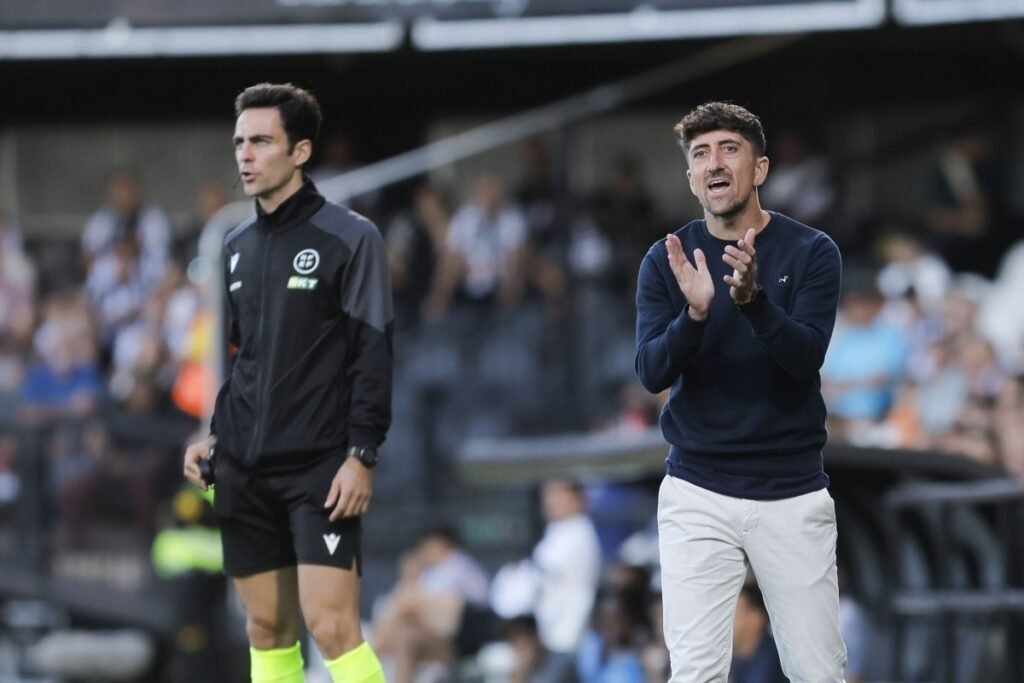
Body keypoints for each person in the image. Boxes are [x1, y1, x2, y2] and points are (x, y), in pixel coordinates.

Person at [182, 83, 393, 683]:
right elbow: (245, 360)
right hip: (244, 467)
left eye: (261, 141)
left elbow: (373, 356)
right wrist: (216, 438)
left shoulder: (352, 238)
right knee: (266, 631)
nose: (245, 155)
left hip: (319, 470)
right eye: (240, 142)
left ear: (299, 152)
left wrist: (362, 454)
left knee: (330, 627)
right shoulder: (233, 247)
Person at [634, 101, 846, 682]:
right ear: (690, 177)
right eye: (700, 154)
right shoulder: (666, 259)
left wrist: (753, 303)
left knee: (818, 673)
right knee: (696, 674)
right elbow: (651, 370)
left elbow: (805, 359)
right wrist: (695, 316)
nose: (714, 163)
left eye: (729, 149)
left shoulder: (812, 251)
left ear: (760, 169)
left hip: (792, 488)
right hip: (698, 489)